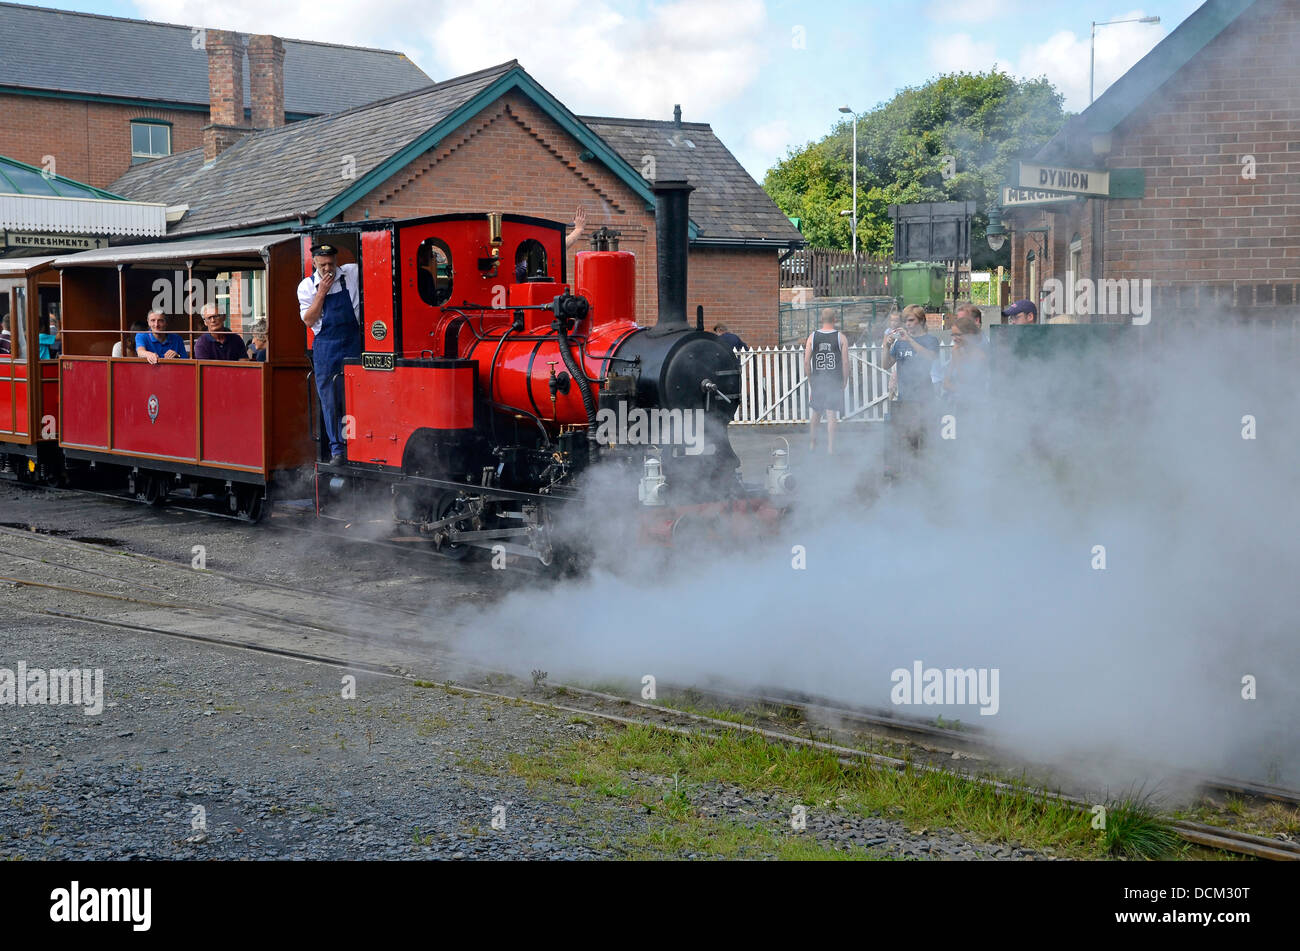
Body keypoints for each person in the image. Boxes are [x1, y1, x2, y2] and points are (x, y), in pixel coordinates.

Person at [298, 242, 361, 465]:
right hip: (326, 345)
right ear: (314, 262)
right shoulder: (306, 287)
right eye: (323, 264)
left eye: (331, 263)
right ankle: (337, 449)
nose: (328, 268)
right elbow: (309, 320)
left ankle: (356, 444)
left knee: (353, 396)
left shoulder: (351, 273)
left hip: (353, 340)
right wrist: (322, 293)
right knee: (330, 399)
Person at [881, 304, 939, 475]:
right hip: (904, 400)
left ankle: (925, 476)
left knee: (924, 441)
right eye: (906, 321)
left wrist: (910, 341)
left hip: (924, 399)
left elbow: (931, 358)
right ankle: (906, 478)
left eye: (911, 320)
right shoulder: (899, 343)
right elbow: (885, 365)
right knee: (903, 441)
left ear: (921, 320)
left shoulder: (930, 340)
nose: (908, 324)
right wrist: (885, 346)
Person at [803, 308, 848, 454]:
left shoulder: (812, 337)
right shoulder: (841, 337)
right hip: (834, 381)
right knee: (831, 414)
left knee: (816, 413)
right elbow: (846, 363)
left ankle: (812, 443)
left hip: (818, 381)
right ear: (835, 320)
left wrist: (811, 380)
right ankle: (831, 449)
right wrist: (845, 380)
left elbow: (806, 362)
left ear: (821, 320)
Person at [942, 316, 989, 407]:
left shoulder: (980, 357)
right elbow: (945, 383)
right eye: (953, 335)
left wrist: (957, 356)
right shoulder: (957, 352)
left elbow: (965, 381)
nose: (955, 338)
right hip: (957, 403)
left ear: (970, 334)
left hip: (974, 406)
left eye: (958, 334)